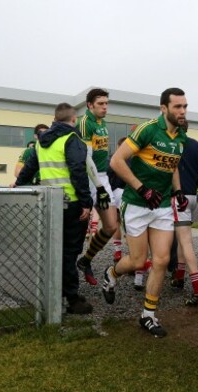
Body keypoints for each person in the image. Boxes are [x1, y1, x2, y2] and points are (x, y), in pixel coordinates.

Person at [102, 87, 189, 338]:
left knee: (161, 260)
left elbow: (172, 166)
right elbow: (116, 161)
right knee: (138, 262)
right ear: (164, 108)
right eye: (177, 107)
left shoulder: (181, 135)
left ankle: (148, 315)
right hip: (137, 204)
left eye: (185, 106)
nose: (182, 111)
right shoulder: (148, 129)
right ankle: (111, 273)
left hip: (161, 207)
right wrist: (142, 190)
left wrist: (178, 192)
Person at [14, 103, 93, 314]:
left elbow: (29, 168)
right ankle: (72, 298)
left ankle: (55, 292)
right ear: (74, 120)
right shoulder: (72, 139)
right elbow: (78, 170)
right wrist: (86, 201)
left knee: (54, 250)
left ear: (55, 119)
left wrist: (19, 189)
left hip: (50, 202)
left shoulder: (42, 142)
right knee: (69, 251)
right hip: (72, 203)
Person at [76, 89, 119, 286]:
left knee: (111, 226)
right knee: (79, 230)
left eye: (106, 103)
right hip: (89, 179)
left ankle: (86, 260)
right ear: (89, 105)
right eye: (101, 104)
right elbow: (86, 159)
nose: (105, 107)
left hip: (103, 178)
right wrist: (98, 186)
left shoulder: (103, 123)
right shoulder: (85, 123)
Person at [169, 122, 198, 306]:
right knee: (183, 241)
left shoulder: (171, 144)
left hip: (179, 197)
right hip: (194, 197)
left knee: (185, 242)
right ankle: (179, 277)